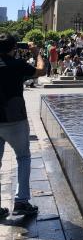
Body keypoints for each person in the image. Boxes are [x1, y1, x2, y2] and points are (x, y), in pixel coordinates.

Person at [0, 33, 46, 217]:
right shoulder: (17, 64)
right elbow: (41, 71)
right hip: (15, 119)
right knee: (23, 157)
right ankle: (21, 201)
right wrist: (37, 53)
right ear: (14, 48)